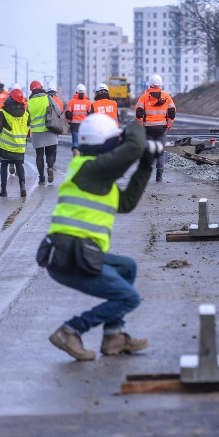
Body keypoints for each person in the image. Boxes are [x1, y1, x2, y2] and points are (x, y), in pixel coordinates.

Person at [40, 113, 161, 361]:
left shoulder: (94, 174)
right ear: (106, 144)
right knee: (129, 297)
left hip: (77, 253)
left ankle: (114, 336)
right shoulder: (91, 170)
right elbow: (134, 146)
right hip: (70, 256)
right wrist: (136, 124)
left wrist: (146, 165)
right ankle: (71, 330)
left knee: (127, 268)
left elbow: (126, 203)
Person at [135, 74, 175, 183]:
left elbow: (138, 113)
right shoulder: (166, 97)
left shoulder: (144, 97)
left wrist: (141, 124)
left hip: (148, 128)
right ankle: (159, 176)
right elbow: (172, 112)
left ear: (150, 84)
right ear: (160, 84)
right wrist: (169, 124)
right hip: (162, 129)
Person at [0, 86, 30, 198]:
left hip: (6, 146)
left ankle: (4, 190)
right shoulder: (26, 114)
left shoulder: (2, 112)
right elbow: (27, 128)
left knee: (4, 165)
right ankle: (23, 186)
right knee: (20, 165)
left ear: (10, 98)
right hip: (20, 146)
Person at [28, 80, 60, 185]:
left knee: (39, 155)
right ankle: (50, 167)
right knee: (51, 152)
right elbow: (59, 111)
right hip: (49, 129)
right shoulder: (48, 98)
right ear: (41, 87)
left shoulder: (29, 102)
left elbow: (27, 119)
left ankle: (41, 178)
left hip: (37, 133)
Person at [66, 83, 93, 155]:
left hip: (74, 125)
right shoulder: (88, 102)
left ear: (76, 92)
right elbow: (91, 115)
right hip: (85, 126)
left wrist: (69, 122)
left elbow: (68, 114)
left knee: (75, 143)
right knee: (84, 142)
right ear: (85, 92)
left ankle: (76, 156)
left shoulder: (71, 102)